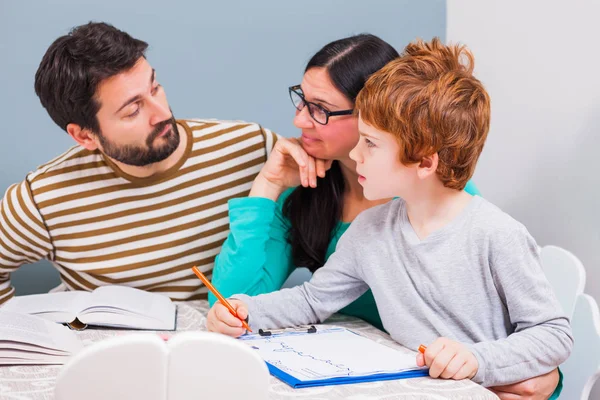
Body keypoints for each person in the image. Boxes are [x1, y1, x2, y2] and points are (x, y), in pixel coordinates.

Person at [207, 38, 572, 393]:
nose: (357, 155)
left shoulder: (495, 234)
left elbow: (554, 335)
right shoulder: (371, 230)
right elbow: (311, 300)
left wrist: (478, 360)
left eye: (371, 144)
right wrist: (245, 309)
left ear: (425, 162)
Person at [210, 33, 480, 332]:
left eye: (320, 109)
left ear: (376, 115)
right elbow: (229, 306)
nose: (299, 121)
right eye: (302, 100)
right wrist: (268, 185)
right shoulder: (306, 190)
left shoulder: (439, 194)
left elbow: (478, 322)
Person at [0, 22, 277, 304]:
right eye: (133, 110)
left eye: (155, 88)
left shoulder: (253, 149)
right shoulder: (42, 199)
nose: (162, 113)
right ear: (84, 135)